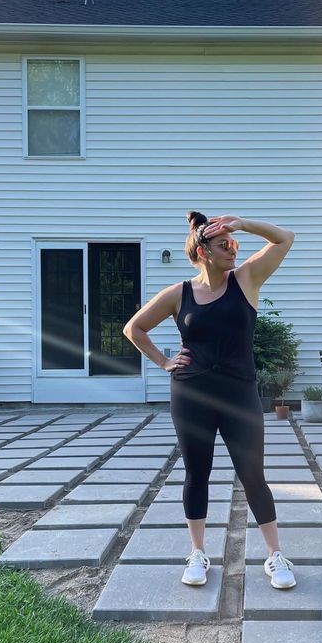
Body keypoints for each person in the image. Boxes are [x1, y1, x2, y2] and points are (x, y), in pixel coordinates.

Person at [123, 211, 297, 590]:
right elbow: (133, 328)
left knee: (253, 475)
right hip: (191, 394)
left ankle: (274, 555)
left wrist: (241, 223)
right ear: (203, 252)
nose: (233, 249)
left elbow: (285, 238)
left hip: (240, 394)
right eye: (224, 245)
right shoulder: (178, 294)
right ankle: (198, 554)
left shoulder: (247, 279)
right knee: (196, 473)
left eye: (234, 244)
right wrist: (164, 361)